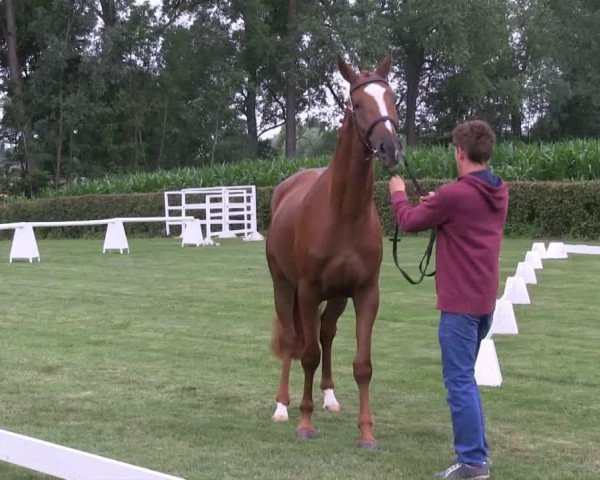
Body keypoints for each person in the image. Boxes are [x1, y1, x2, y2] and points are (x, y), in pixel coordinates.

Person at [389, 120, 509, 479]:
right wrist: (437, 205)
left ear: (459, 151)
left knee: (459, 383)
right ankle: (477, 454)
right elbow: (457, 212)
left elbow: (409, 221)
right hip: (484, 303)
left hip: (459, 307)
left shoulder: (455, 195)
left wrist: (398, 192)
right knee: (465, 380)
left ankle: (473, 462)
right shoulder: (499, 190)